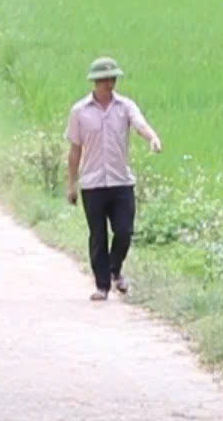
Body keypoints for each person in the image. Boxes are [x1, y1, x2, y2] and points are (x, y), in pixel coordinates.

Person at [64, 56, 162, 302]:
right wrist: (72, 184)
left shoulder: (125, 106)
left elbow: (140, 125)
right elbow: (75, 149)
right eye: (104, 80)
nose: (109, 83)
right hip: (93, 183)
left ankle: (115, 267)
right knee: (97, 235)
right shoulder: (79, 111)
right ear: (95, 82)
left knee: (124, 231)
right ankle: (102, 285)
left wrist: (152, 137)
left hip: (121, 181)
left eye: (112, 79)